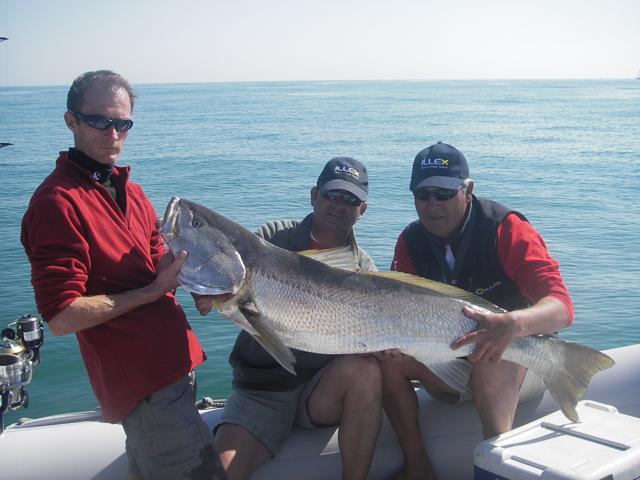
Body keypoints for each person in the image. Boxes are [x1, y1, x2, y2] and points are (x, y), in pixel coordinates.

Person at [21, 70, 226, 480]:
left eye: (122, 123)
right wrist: (151, 292)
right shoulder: (57, 203)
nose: (112, 134)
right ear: (71, 121)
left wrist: (197, 280)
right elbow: (61, 315)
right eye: (99, 121)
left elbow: (156, 264)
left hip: (176, 366)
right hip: (144, 387)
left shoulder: (130, 190)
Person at [376, 142, 574, 480]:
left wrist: (512, 324)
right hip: (452, 360)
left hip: (525, 360)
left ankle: (496, 471)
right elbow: (396, 311)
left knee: (490, 354)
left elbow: (562, 307)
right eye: (423, 194)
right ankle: (418, 467)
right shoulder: (410, 242)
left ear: (467, 190)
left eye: (444, 193)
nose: (433, 204)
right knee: (383, 361)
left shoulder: (505, 229)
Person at [194, 157, 383, 480]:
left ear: (362, 210)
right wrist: (206, 289)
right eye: (331, 194)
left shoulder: (363, 270)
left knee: (366, 369)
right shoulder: (271, 239)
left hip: (322, 389)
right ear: (314, 195)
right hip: (261, 391)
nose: (338, 204)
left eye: (350, 200)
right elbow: (229, 281)